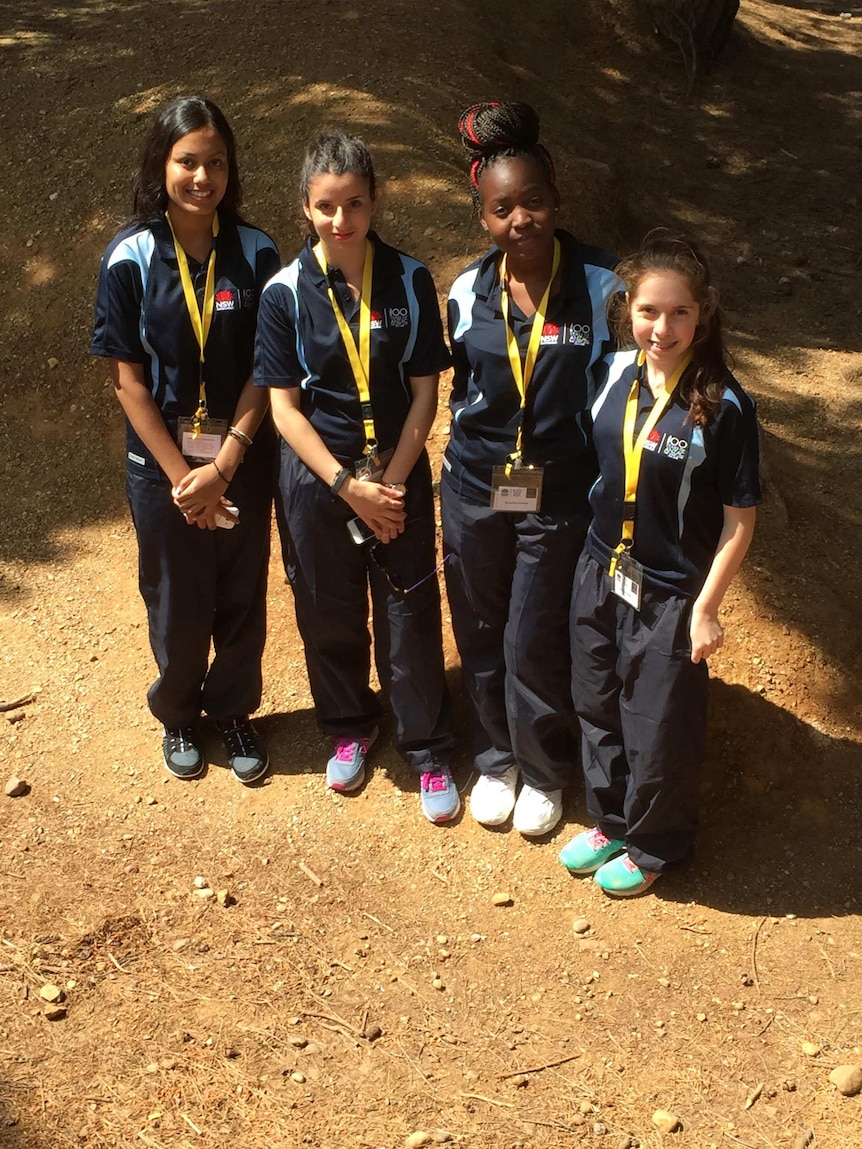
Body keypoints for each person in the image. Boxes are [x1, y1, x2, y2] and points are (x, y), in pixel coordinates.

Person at [254, 131, 457, 823]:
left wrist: (390, 486)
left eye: (355, 204)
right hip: (320, 483)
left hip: (397, 476)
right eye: (326, 206)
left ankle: (427, 747)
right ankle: (348, 724)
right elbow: (283, 409)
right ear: (305, 207)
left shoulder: (408, 277)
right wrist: (350, 486)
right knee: (326, 608)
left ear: (375, 201)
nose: (341, 220)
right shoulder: (283, 292)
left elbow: (426, 392)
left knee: (409, 613)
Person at [560, 230, 761, 896]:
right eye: (649, 311)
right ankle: (612, 817)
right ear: (628, 310)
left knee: (659, 722)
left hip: (672, 593)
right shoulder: (611, 373)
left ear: (702, 313)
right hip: (600, 570)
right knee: (597, 702)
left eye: (678, 312)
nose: (662, 327)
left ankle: (655, 842)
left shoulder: (725, 407)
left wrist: (705, 608)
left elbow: (739, 520)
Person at [442, 102, 622, 837]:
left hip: (560, 492)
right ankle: (495, 759)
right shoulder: (464, 292)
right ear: (483, 216)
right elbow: (450, 388)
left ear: (557, 200)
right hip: (476, 486)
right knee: (481, 625)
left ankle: (543, 768)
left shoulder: (605, 289)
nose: (522, 219)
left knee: (533, 632)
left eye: (535, 201)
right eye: (503, 208)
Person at [91, 96, 280, 783]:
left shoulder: (257, 252)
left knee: (239, 590)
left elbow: (269, 367)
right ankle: (178, 713)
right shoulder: (130, 257)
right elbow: (129, 383)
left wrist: (225, 464)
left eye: (217, 162)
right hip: (162, 465)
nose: (203, 176)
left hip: (240, 460)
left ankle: (233, 709)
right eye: (188, 162)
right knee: (176, 593)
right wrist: (184, 476)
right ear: (161, 166)